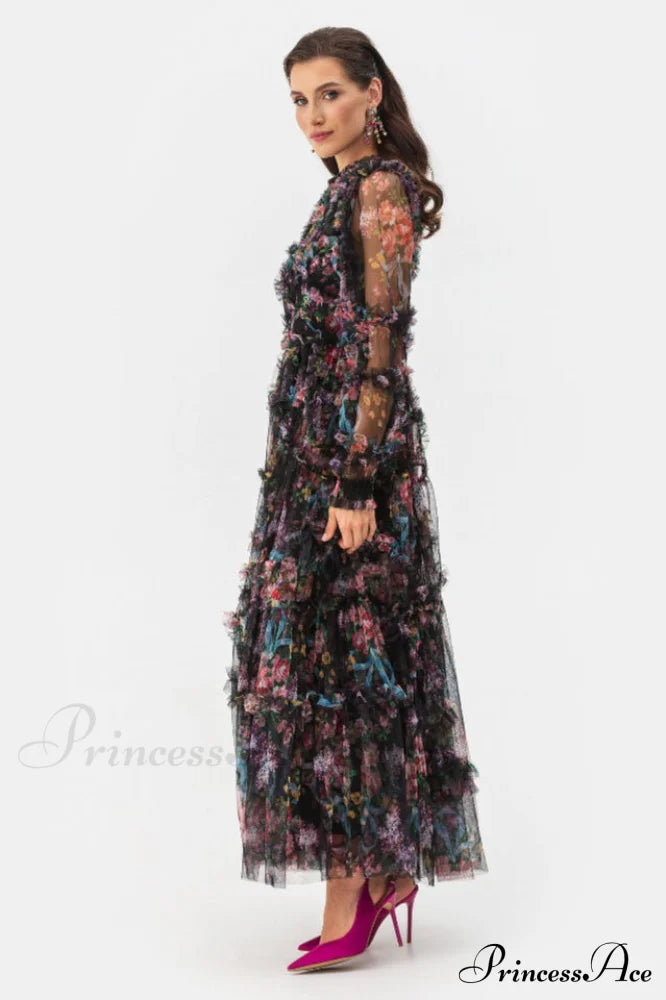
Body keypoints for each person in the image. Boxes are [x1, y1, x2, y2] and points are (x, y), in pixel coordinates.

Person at [223, 26, 489, 973]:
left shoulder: (379, 190)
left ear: (373, 92)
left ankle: (359, 887)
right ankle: (377, 872)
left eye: (329, 94)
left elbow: (383, 349)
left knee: (344, 669)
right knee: (315, 666)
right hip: (308, 462)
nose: (313, 115)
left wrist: (357, 483)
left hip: (352, 465)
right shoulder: (340, 190)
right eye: (299, 100)